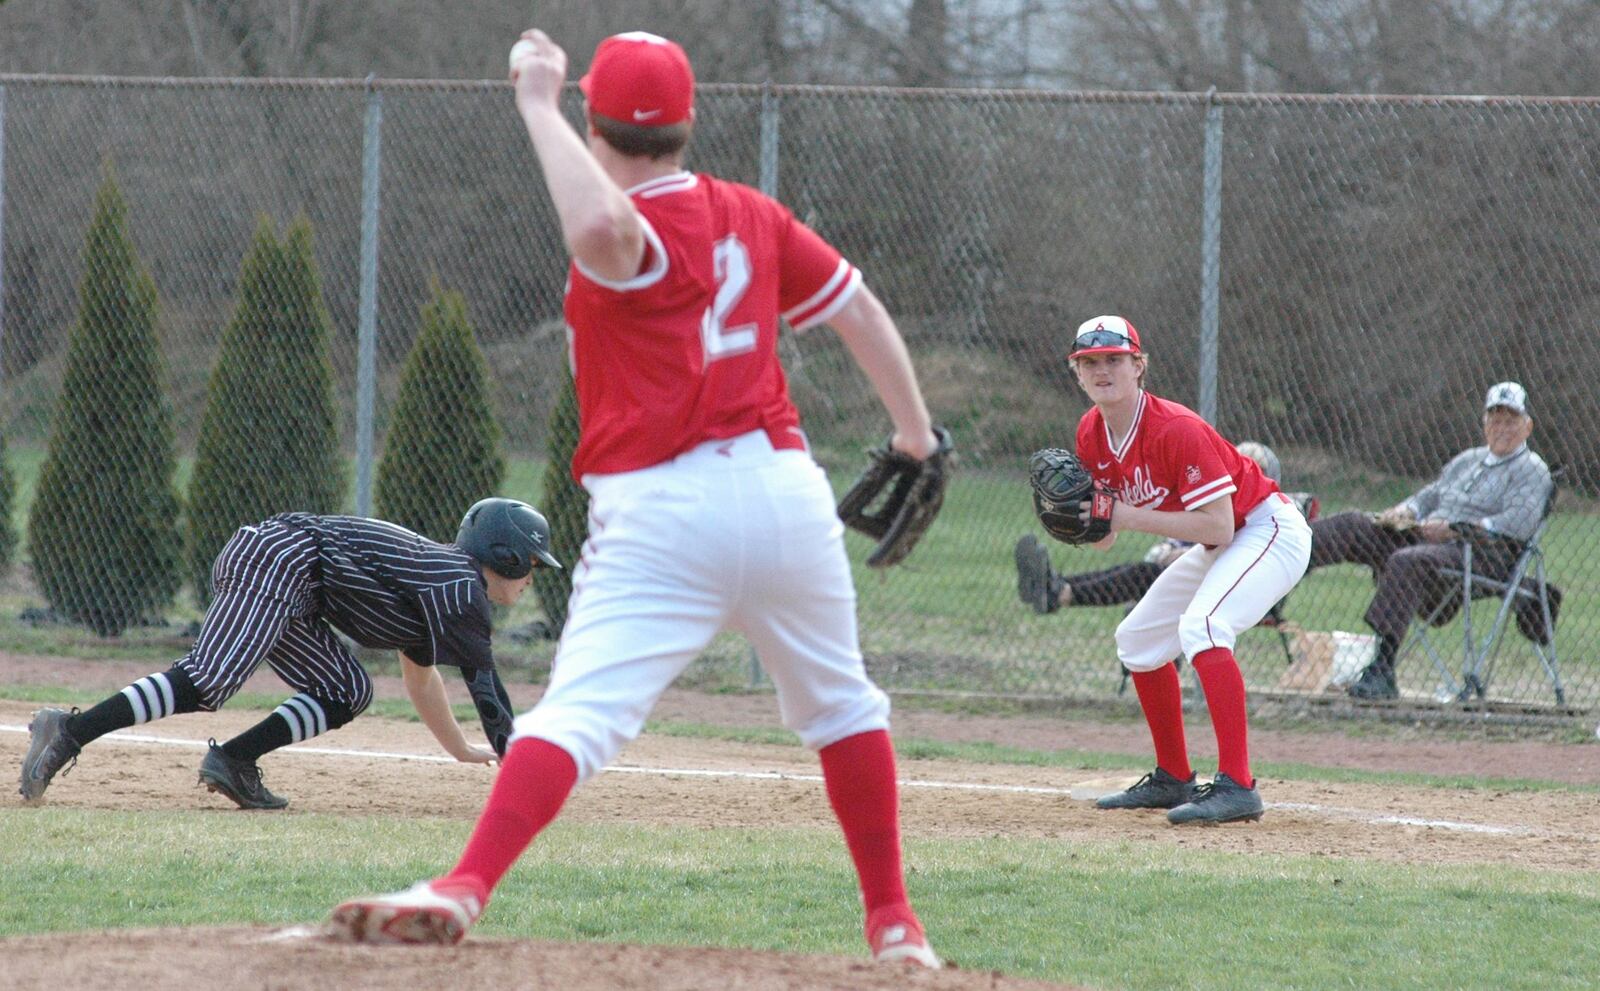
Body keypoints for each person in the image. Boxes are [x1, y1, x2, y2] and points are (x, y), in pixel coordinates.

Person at [327, 30, 943, 968]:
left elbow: (606, 232)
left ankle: (465, 884)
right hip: (784, 492)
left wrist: (534, 101)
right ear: (690, 123)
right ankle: (895, 925)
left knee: (576, 714)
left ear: (590, 118)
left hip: (663, 507)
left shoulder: (630, 229)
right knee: (844, 707)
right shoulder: (753, 214)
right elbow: (855, 306)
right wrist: (915, 432)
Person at [18, 498, 561, 809]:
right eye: (532, 562)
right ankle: (67, 732)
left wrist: (462, 749)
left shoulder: (444, 592)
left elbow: (422, 681)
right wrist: (521, 775)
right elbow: (486, 689)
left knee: (348, 691)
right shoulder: (460, 587)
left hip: (298, 584)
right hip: (280, 561)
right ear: (506, 555)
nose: (532, 575)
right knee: (211, 680)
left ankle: (233, 760)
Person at [1061, 316, 1311, 824]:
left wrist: (1121, 516)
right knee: (1138, 639)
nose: (1103, 370)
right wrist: (1076, 521)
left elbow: (1218, 525)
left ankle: (1239, 786)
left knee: (1204, 625)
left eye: (1115, 359)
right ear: (1077, 372)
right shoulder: (1091, 433)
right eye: (1090, 362)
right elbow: (1107, 535)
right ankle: (1173, 776)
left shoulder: (1175, 429)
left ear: (1139, 366)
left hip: (1267, 528)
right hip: (1228, 540)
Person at [1307, 381, 1554, 700]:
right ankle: (1284, 575)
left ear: (1527, 426)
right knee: (1353, 524)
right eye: (1495, 419)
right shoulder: (1469, 460)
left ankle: (1382, 669)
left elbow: (1516, 524)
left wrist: (1455, 527)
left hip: (1478, 554)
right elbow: (1430, 496)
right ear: (1484, 423)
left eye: (1510, 421)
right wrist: (1404, 511)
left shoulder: (1531, 469)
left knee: (1406, 560)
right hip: (1429, 543)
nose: (1501, 428)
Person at [1014, 441, 1314, 615]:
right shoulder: (1210, 500)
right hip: (1198, 570)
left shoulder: (1275, 513)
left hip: (1244, 586)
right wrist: (1171, 550)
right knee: (1145, 575)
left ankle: (1060, 591)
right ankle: (1057, 589)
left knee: (1145, 576)